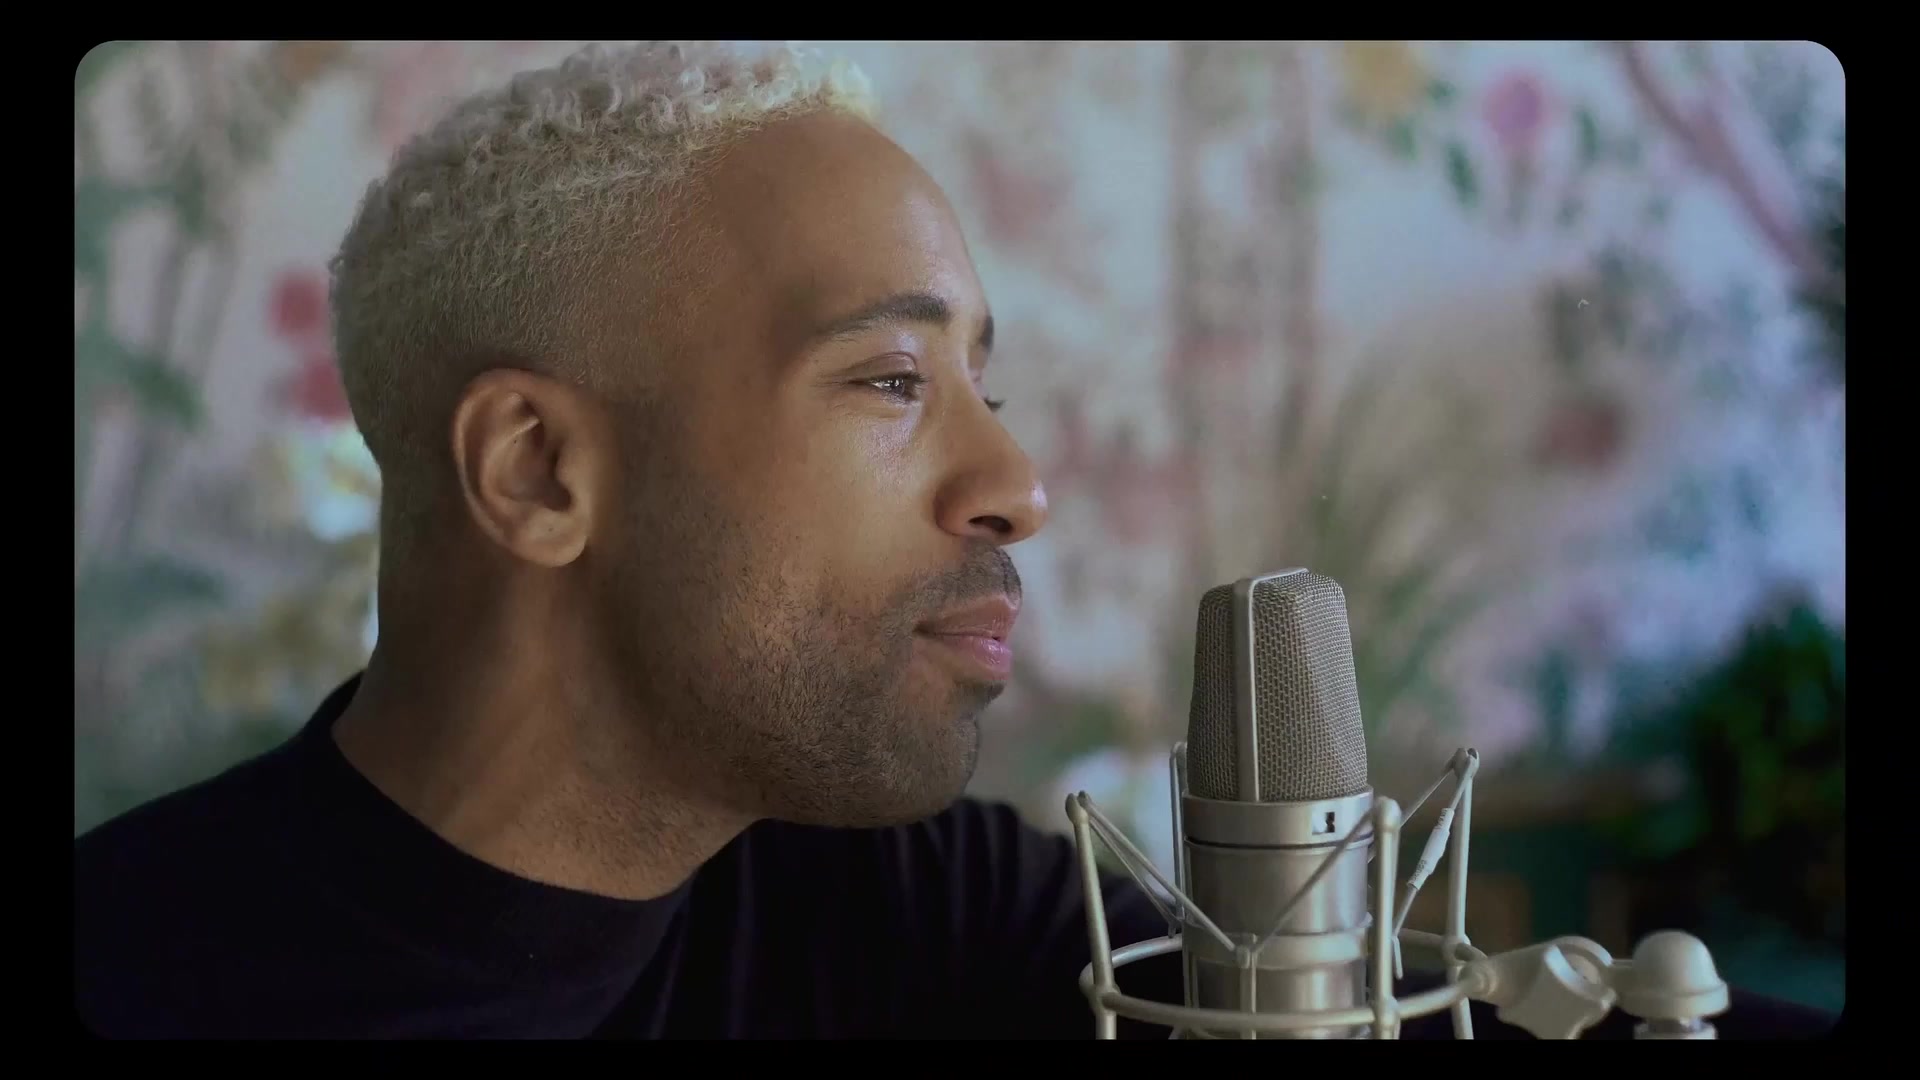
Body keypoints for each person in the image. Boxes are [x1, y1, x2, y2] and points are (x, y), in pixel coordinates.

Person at [74, 41, 1836, 1040]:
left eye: (986, 380)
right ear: (538, 473)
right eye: (893, 380)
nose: (1020, 484)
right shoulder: (136, 979)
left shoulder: (922, 911)